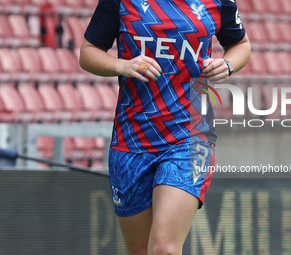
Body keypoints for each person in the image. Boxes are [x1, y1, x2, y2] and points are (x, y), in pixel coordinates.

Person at [80, 0, 251, 254]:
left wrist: (227, 64)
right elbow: (88, 53)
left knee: (164, 249)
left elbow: (240, 44)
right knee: (140, 250)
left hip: (191, 135)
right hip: (132, 139)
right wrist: (122, 65)